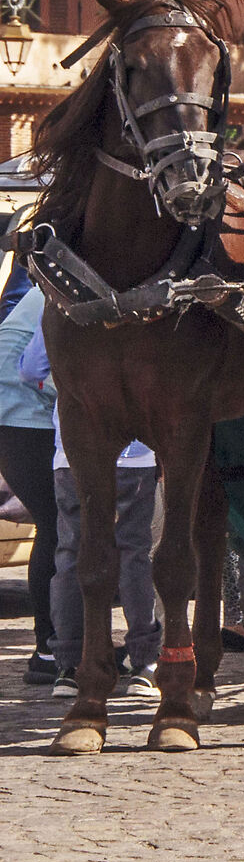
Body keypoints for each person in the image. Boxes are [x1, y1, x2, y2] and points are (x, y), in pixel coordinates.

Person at [21, 307, 163, 702]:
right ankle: (143, 664)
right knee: (134, 554)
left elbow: (29, 368)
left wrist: (61, 387)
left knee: (71, 554)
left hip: (74, 453)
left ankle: (68, 665)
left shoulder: (65, 307)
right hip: (134, 455)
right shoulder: (145, 308)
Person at [0, 287, 59, 683]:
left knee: (56, 528)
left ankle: (54, 645)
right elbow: (38, 370)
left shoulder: (52, 289)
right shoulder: (65, 292)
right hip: (22, 416)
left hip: (18, 413)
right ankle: (49, 649)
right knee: (58, 528)